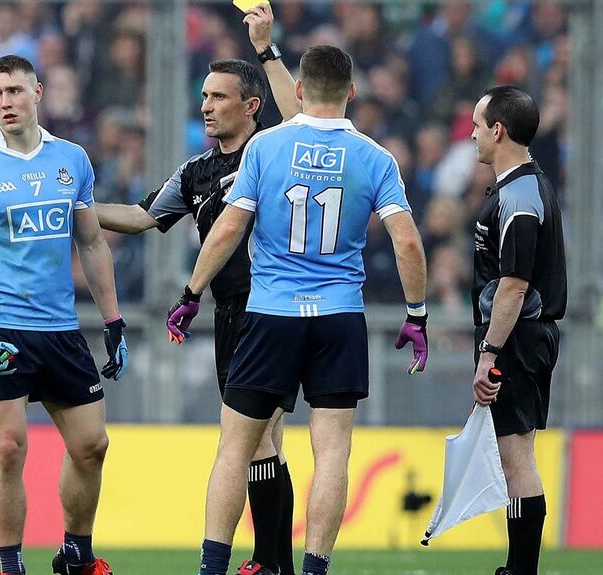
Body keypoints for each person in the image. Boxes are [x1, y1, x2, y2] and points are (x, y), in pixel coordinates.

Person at [168, 46, 428, 575]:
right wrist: (417, 313)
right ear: (352, 92)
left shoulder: (267, 147)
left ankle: (212, 567)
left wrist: (192, 292)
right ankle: (312, 570)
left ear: (301, 90)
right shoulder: (375, 158)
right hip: (338, 317)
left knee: (235, 448)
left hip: (271, 315)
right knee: (331, 452)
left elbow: (230, 226)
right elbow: (407, 243)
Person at [96, 6, 299, 574]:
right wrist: (75, 208)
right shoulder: (196, 173)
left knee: (255, 439)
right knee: (265, 443)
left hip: (273, 307)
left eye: (218, 97)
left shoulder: (279, 148)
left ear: (251, 106)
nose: (206, 106)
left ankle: (265, 560)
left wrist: (265, 49)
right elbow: (139, 217)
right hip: (232, 313)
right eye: (203, 96)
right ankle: (272, 560)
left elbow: (305, 114)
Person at [0, 55, 127, 575]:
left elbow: (91, 243)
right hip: (1, 327)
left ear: (38, 91)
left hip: (61, 329)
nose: (5, 103)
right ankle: (10, 566)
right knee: (7, 448)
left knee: (92, 446)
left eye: (15, 91)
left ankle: (76, 554)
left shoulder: (72, 160)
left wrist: (112, 321)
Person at [469, 86, 566, 575]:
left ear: (498, 130)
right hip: (523, 336)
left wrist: (489, 352)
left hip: (518, 338)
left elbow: (512, 286)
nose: (472, 135)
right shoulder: (522, 187)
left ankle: (520, 569)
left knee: (516, 456)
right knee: (515, 453)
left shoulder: (520, 196)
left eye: (477, 126)